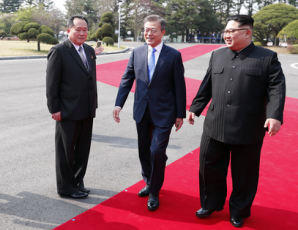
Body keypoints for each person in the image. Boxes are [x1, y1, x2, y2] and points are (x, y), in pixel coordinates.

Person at [188, 15, 285, 228]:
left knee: (245, 174)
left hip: (247, 128)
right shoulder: (217, 55)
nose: (226, 35)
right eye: (226, 31)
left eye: (232, 31)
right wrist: (195, 108)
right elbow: (206, 85)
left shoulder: (267, 58)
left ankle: (239, 210)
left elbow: (276, 89)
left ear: (247, 32)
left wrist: (274, 115)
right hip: (214, 125)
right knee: (209, 168)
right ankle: (210, 203)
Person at [113, 15, 186, 211]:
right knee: (144, 150)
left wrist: (180, 114)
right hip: (142, 111)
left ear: (163, 32)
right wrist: (119, 104)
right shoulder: (137, 52)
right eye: (146, 29)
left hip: (165, 112)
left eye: (153, 30)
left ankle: (154, 192)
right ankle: (148, 180)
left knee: (156, 151)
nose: (148, 33)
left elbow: (179, 86)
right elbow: (127, 78)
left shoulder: (173, 55)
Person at [46, 15, 100, 199]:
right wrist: (54, 109)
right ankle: (65, 187)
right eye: (78, 29)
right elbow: (52, 83)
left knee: (83, 149)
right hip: (67, 111)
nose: (82, 33)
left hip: (86, 110)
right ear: (68, 30)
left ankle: (78, 181)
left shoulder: (89, 50)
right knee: (66, 152)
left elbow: (90, 80)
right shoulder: (59, 51)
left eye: (85, 29)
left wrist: (94, 105)